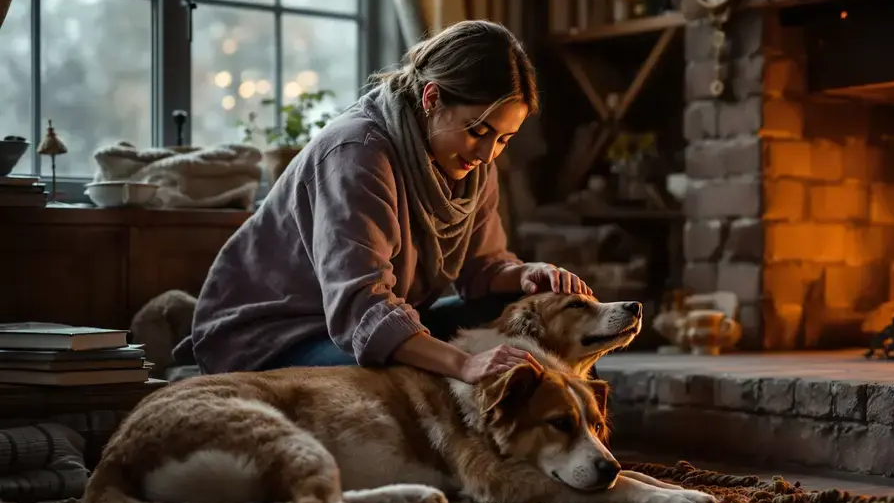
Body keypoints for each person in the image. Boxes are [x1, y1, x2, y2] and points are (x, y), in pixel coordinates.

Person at [174, 20, 593, 384]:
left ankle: (569, 449)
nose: (487, 153)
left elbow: (481, 268)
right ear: (431, 99)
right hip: (277, 337)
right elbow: (362, 306)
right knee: (418, 380)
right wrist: (465, 364)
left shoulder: (471, 162)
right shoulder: (357, 154)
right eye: (478, 131)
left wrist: (524, 275)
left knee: (539, 323)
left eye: (503, 139)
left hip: (368, 320)